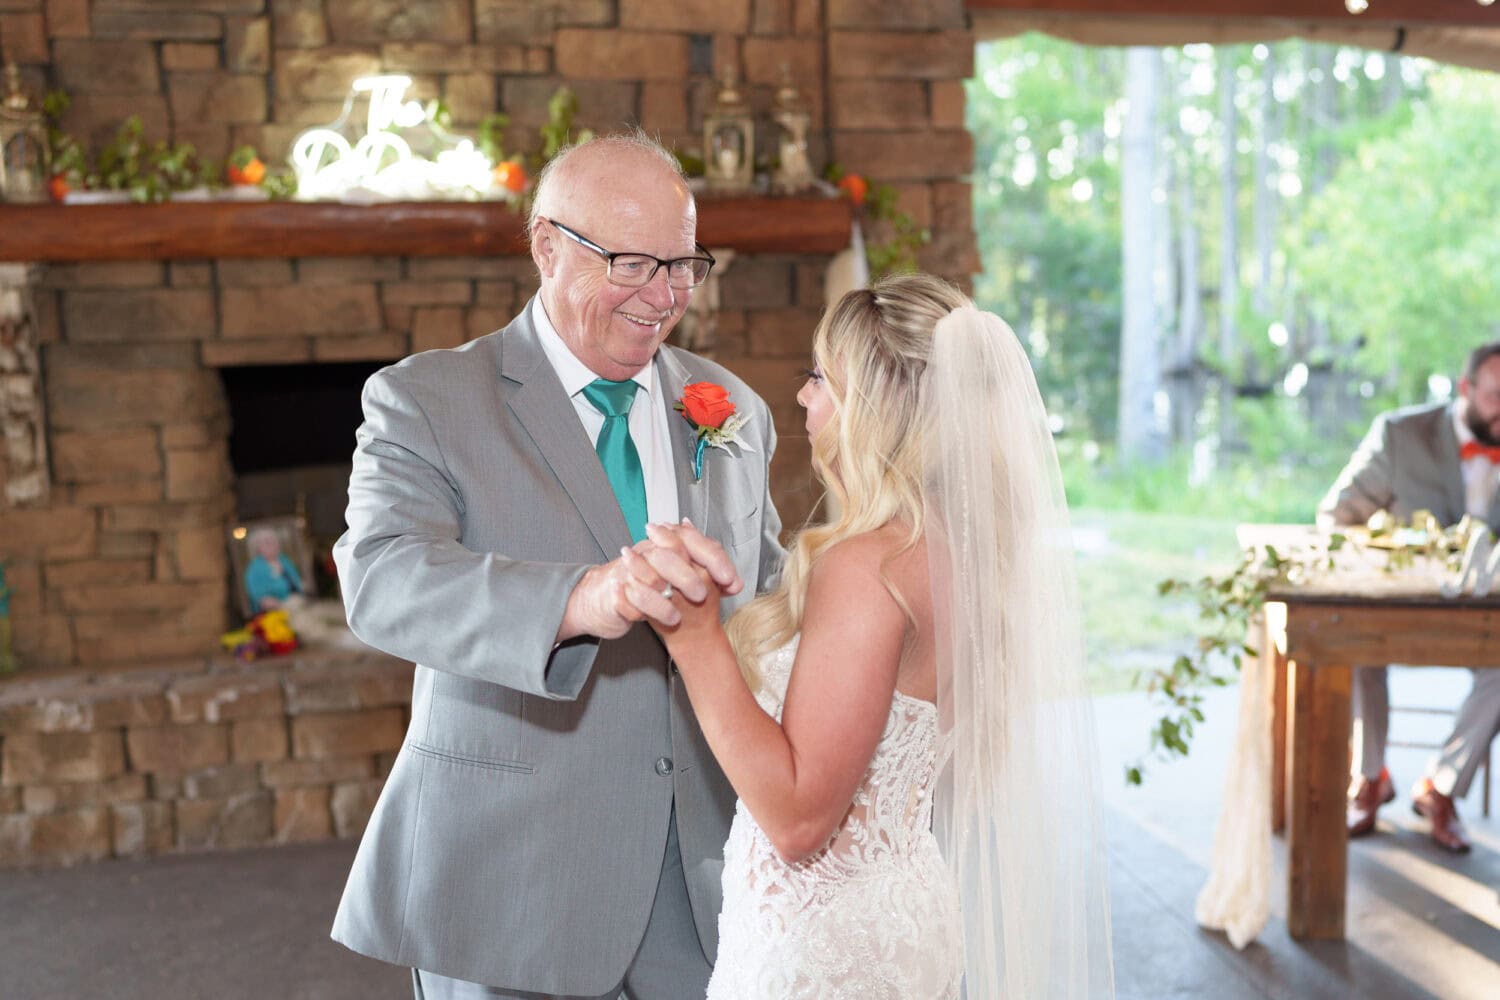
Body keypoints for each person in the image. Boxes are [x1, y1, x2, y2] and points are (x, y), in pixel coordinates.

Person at [328, 130, 784, 999]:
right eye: (632, 262)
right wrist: (584, 596)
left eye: (684, 263)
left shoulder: (734, 413)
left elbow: (763, 606)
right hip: (511, 883)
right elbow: (381, 579)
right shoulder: (426, 399)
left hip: (703, 892)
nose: (664, 295)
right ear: (546, 245)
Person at [618, 274, 1114, 998]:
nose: (803, 398)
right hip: (905, 910)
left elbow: (798, 818)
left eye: (821, 377)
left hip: (826, 944)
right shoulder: (963, 554)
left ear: (872, 405)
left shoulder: (870, 565)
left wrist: (693, 637)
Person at [1318, 340, 1500, 854]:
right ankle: (1370, 777)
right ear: (1466, 389)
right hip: (1398, 613)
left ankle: (1441, 788)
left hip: (1487, 622)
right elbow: (1337, 516)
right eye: (1496, 397)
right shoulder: (1401, 435)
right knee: (1352, 650)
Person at [243, 526, 304, 612]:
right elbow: (260, 598)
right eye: (267, 542)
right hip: (272, 613)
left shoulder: (285, 561)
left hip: (296, 606)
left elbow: (297, 584)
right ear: (258, 548)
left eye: (274, 541)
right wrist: (283, 606)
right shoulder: (254, 569)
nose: (273, 544)